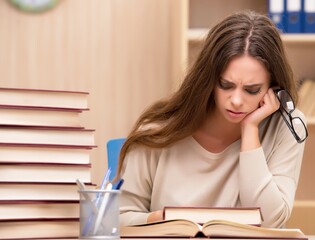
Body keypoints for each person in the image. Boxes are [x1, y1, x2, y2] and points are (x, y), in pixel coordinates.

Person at [116, 10, 308, 228]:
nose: (236, 100)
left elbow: (270, 221)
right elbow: (119, 218)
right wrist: (162, 220)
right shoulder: (159, 129)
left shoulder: (286, 127)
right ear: (208, 79)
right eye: (226, 85)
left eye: (252, 90)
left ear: (272, 88)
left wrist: (250, 130)